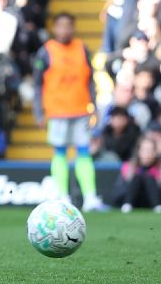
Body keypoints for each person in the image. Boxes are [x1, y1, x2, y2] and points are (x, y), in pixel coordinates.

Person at [34, 12, 107, 211]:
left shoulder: (82, 49)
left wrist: (94, 106)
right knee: (60, 152)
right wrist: (39, 113)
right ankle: (62, 196)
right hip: (57, 112)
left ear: (73, 28)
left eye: (68, 25)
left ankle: (90, 198)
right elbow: (37, 85)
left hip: (80, 110)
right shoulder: (46, 52)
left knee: (84, 152)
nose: (65, 30)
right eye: (61, 26)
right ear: (54, 28)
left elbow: (90, 80)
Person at [111, 137, 161, 213]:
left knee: (149, 179)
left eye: (149, 151)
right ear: (139, 151)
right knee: (137, 178)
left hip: (156, 202)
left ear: (155, 152)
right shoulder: (128, 169)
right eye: (143, 150)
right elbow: (116, 196)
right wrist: (131, 184)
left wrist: (157, 184)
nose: (146, 154)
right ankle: (127, 205)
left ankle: (157, 207)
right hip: (134, 203)